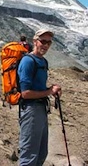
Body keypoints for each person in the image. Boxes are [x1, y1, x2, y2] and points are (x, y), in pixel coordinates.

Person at [17, 29, 62, 166]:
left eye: (49, 42)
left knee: (42, 153)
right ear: (35, 41)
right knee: (29, 155)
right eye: (43, 41)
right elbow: (25, 93)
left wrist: (51, 90)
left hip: (41, 109)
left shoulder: (43, 61)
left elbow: (38, 86)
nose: (46, 45)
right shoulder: (28, 61)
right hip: (30, 110)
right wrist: (49, 91)